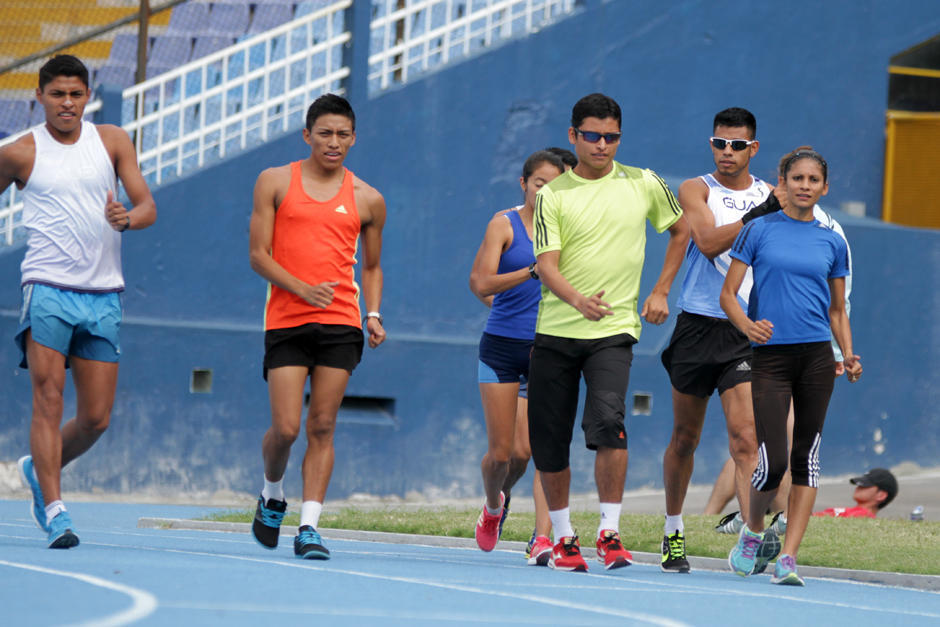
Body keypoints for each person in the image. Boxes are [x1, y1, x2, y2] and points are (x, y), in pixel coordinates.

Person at [0, 55, 157, 549]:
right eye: (56, 94)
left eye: (75, 94)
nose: (66, 103)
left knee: (96, 419)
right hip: (46, 289)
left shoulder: (111, 141)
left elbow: (148, 206)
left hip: (103, 294)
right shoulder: (20, 153)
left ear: (88, 96)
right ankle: (55, 509)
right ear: (40, 98)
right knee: (48, 401)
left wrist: (127, 218)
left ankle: (35, 468)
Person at [529, 93, 688, 572]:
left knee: (609, 426)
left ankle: (609, 533)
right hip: (556, 331)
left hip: (615, 331)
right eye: (592, 136)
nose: (602, 145)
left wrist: (660, 291)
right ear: (574, 136)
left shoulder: (644, 182)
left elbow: (680, 231)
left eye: (611, 137)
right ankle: (562, 537)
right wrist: (577, 300)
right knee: (550, 441)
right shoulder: (551, 196)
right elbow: (546, 265)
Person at [248, 93, 386, 560]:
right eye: (324, 133)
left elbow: (371, 268)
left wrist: (373, 313)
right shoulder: (274, 181)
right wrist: (302, 289)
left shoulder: (368, 199)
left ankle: (309, 527)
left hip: (341, 322)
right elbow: (258, 256)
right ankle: (271, 492)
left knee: (322, 425)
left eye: (343, 134)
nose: (334, 142)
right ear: (307, 135)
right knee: (286, 428)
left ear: (354, 138)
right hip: (286, 320)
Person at [722, 147, 861, 586]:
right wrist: (747, 325)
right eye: (796, 178)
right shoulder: (759, 231)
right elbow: (728, 294)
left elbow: (838, 310)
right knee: (772, 461)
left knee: (808, 459)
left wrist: (847, 353)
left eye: (812, 180)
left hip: (818, 357)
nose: (804, 186)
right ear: (783, 182)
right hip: (770, 358)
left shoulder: (832, 241)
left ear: (824, 187)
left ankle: (788, 558)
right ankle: (753, 530)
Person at [660, 107, 776, 572]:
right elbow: (706, 242)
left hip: (743, 330)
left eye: (737, 145)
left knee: (746, 440)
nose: (726, 152)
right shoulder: (696, 188)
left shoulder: (772, 193)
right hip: (696, 326)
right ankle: (672, 531)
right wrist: (762, 213)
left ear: (753, 148)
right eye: (719, 143)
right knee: (685, 438)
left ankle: (751, 535)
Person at [468, 149, 565, 564]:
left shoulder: (570, 228)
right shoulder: (503, 224)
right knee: (503, 455)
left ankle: (543, 537)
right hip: (502, 349)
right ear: (524, 184)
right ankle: (493, 506)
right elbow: (480, 282)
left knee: (540, 451)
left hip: (548, 348)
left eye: (557, 185)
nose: (547, 192)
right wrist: (530, 273)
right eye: (541, 183)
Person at [814, 468, 898, 518]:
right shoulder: (850, 511)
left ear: (881, 495)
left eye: (865, 485)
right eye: (859, 484)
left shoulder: (864, 516)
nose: (858, 487)